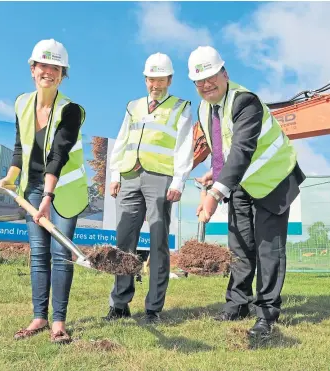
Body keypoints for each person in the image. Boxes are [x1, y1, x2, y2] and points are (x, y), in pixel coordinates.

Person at [187, 46, 306, 339]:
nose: (206, 85)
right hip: (241, 183)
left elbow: (242, 149)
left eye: (212, 76)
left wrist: (215, 194)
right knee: (240, 246)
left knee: (268, 249)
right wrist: (215, 175)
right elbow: (221, 150)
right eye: (199, 81)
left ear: (224, 73)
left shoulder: (245, 102)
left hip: (273, 180)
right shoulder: (205, 108)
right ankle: (237, 304)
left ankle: (266, 313)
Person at [0, 39, 88, 344]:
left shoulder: (71, 110)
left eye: (55, 67)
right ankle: (39, 317)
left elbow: (58, 154)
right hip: (32, 187)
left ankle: (58, 323)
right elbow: (21, 146)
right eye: (43, 65)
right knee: (39, 255)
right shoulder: (22, 103)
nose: (48, 71)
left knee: (61, 254)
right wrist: (10, 177)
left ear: (63, 74)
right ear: (32, 68)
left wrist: (48, 198)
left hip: (65, 190)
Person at [107, 52, 194, 324]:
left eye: (160, 79)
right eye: (150, 79)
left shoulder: (181, 107)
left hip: (160, 178)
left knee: (158, 242)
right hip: (130, 175)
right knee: (124, 242)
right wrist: (114, 173)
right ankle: (120, 303)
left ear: (169, 79)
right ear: (145, 79)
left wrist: (179, 180)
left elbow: (184, 146)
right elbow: (122, 139)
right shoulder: (133, 106)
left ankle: (153, 308)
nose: (155, 84)